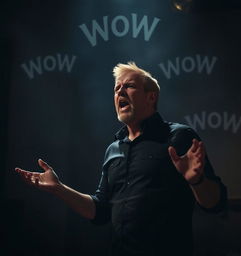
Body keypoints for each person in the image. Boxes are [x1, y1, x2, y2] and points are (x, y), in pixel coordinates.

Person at [15, 62, 227, 256]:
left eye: (129, 86)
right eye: (117, 88)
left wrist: (196, 181)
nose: (120, 91)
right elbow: (100, 211)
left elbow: (215, 203)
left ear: (151, 97)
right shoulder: (113, 149)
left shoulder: (178, 137)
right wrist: (58, 188)